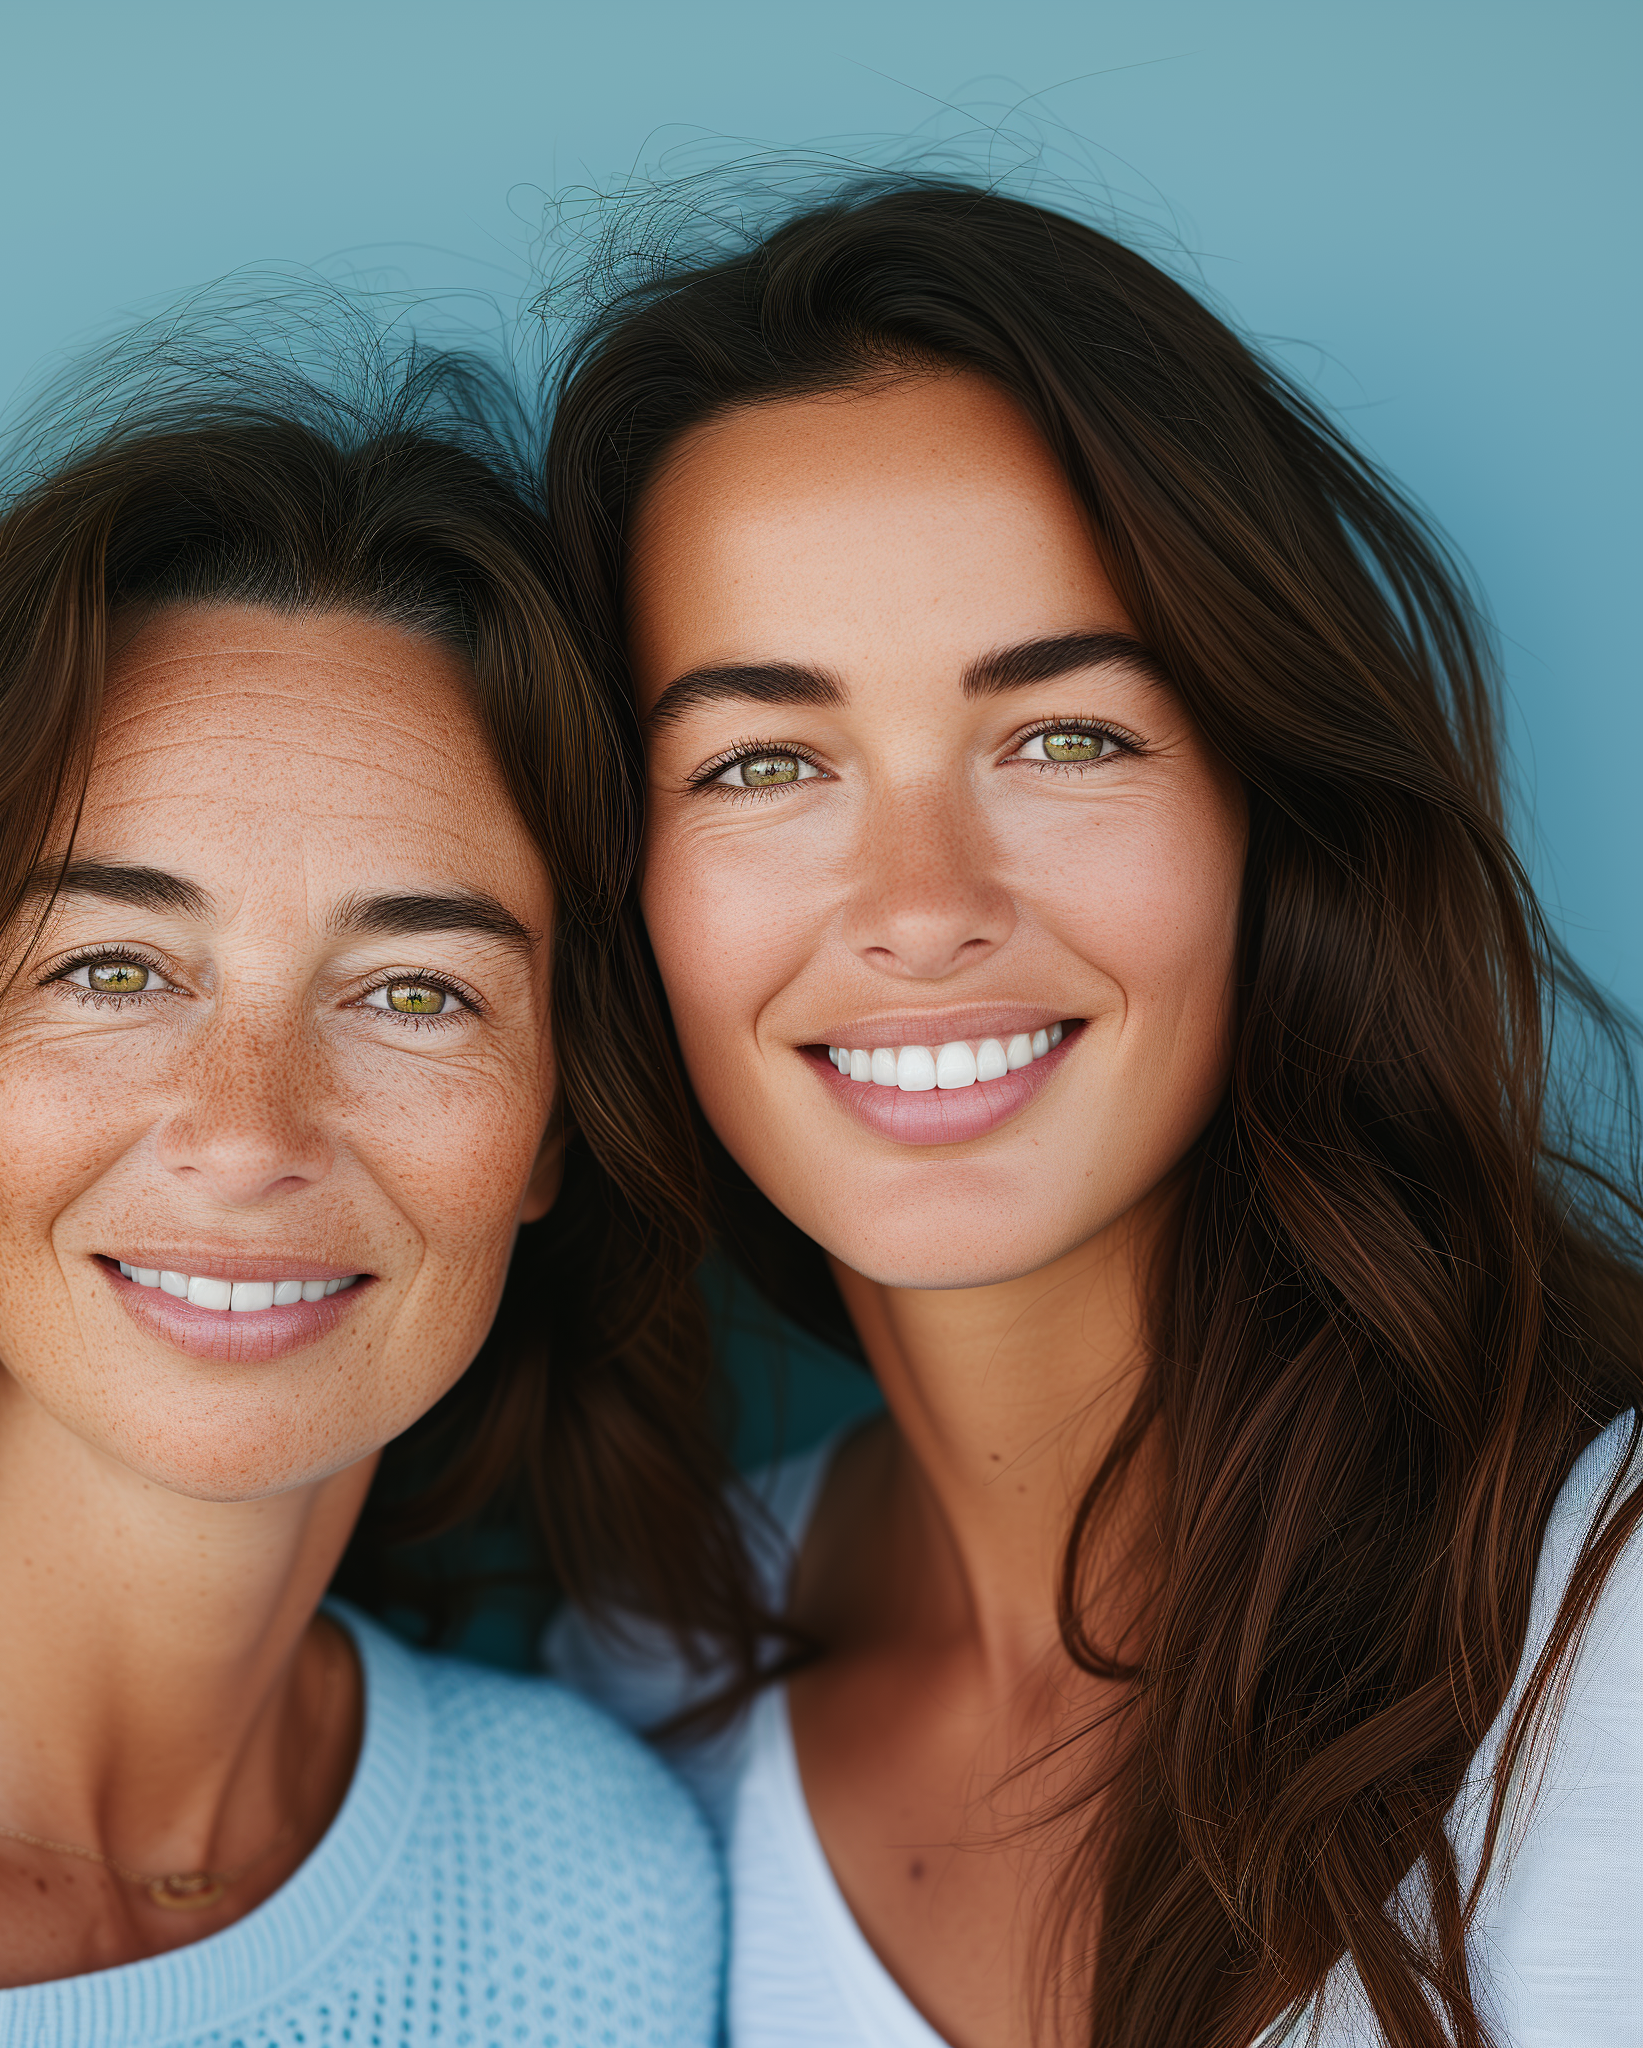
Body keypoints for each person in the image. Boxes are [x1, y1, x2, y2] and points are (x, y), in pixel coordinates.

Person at [540, 173, 1643, 2048]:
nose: (920, 902)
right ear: (614, 892)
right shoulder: (653, 1685)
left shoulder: (1606, 1623)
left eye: (1067, 736)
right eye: (761, 761)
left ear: (1263, 820)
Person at [0, 327, 739, 2044]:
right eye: (115, 968)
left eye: (416, 993)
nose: (248, 1128)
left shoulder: (591, 1890)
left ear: (558, 1125)